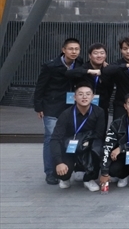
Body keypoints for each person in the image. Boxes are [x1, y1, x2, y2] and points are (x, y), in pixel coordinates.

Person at [34, 37, 83, 185]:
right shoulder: (50, 66)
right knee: (51, 138)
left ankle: (70, 167)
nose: (74, 52)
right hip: (52, 106)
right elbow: (40, 87)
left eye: (76, 49)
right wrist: (39, 107)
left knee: (70, 137)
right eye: (71, 49)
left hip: (71, 107)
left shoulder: (80, 64)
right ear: (63, 50)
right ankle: (50, 172)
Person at [50, 83, 106, 191]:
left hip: (87, 145)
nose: (84, 97)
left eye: (88, 94)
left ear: (92, 96)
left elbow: (99, 135)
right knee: (63, 172)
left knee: (98, 147)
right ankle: (65, 178)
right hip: (69, 146)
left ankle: (89, 178)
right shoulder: (66, 114)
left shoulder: (99, 112)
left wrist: (84, 142)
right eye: (80, 94)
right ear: (74, 97)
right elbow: (55, 139)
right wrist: (58, 162)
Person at [64, 42, 113, 128]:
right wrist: (88, 71)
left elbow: (110, 88)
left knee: (101, 131)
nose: (99, 56)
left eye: (102, 53)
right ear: (90, 56)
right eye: (95, 53)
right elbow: (68, 73)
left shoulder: (107, 69)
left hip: (102, 107)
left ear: (105, 55)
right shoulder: (83, 68)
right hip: (83, 107)